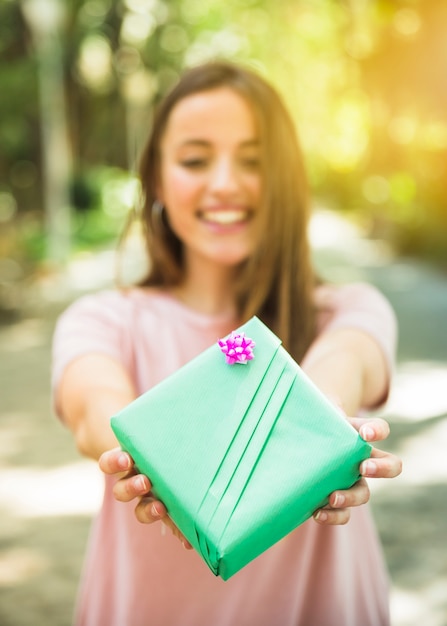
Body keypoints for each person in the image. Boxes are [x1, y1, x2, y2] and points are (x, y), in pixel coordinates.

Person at [51, 60, 402, 626]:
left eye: (254, 161)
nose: (224, 183)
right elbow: (95, 409)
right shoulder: (102, 319)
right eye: (194, 159)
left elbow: (345, 361)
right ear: (157, 178)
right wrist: (139, 455)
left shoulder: (348, 308)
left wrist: (326, 420)